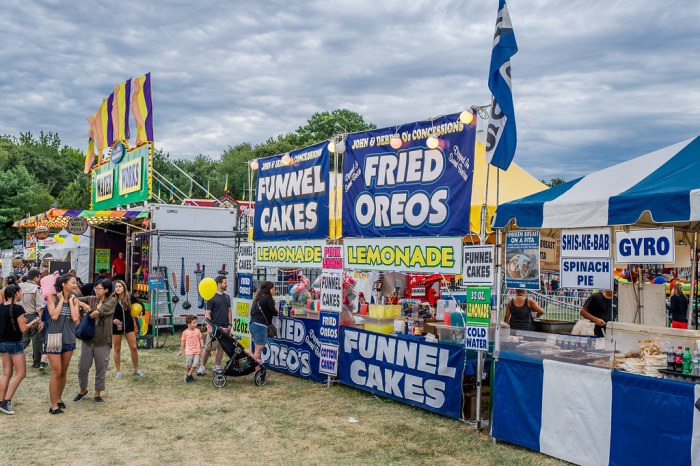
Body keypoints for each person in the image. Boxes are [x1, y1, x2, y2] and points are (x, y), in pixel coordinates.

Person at [0, 285, 41, 414]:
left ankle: (1, 401)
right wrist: (34, 323)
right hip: (14, 344)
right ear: (16, 294)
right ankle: (6, 401)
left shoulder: (1, 307)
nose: (22, 293)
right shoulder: (18, 308)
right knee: (21, 373)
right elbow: (23, 329)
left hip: (2, 343)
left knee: (6, 373)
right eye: (20, 291)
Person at [74, 279, 116, 403]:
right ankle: (83, 390)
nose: (96, 291)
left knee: (101, 368)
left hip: (102, 341)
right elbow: (74, 300)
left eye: (98, 289)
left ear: (106, 290)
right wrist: (83, 304)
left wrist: (88, 310)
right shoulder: (92, 299)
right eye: (95, 288)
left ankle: (97, 393)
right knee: (82, 367)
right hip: (87, 340)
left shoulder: (111, 301)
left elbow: (96, 314)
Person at [45, 274, 81, 414]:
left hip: (69, 338)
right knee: (57, 371)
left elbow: (75, 318)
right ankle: (53, 405)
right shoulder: (52, 298)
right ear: (64, 284)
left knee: (64, 372)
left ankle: (59, 399)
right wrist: (61, 301)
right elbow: (53, 316)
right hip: (53, 338)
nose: (75, 285)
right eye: (73, 282)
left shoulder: (75, 299)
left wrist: (72, 302)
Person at [196, 276, 231, 375]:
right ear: (219, 284)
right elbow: (207, 313)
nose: (226, 284)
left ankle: (217, 366)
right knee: (208, 348)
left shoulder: (227, 297)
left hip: (224, 327)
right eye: (225, 282)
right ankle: (202, 367)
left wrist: (230, 324)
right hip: (214, 328)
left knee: (221, 348)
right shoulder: (211, 297)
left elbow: (229, 311)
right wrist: (210, 327)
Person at [111, 280, 144, 378]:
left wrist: (142, 312)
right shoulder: (112, 298)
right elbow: (107, 312)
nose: (118, 288)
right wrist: (113, 319)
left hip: (128, 326)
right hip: (116, 327)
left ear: (124, 287)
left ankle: (136, 369)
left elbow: (140, 304)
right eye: (116, 286)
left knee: (134, 347)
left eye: (120, 286)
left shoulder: (129, 296)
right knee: (117, 348)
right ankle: (118, 371)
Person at [247, 281, 277, 371]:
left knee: (257, 349)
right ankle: (257, 371)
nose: (274, 290)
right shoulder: (268, 298)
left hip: (253, 325)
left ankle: (257, 369)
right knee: (258, 350)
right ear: (269, 289)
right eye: (273, 288)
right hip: (261, 326)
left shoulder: (257, 298)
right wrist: (276, 308)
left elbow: (251, 312)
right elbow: (274, 312)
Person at [20, 269, 47, 370]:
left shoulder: (19, 286)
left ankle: (12, 357)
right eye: (38, 277)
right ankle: (37, 362)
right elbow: (39, 306)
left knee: (24, 339)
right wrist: (41, 319)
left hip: (20, 316)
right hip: (33, 316)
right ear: (36, 277)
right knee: (36, 340)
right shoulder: (37, 288)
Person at [179, 315, 204, 383]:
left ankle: (189, 375)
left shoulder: (197, 331)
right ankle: (189, 375)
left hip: (197, 351)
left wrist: (202, 344)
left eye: (196, 322)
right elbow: (182, 342)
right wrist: (181, 350)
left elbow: (200, 338)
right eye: (194, 322)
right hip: (189, 352)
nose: (196, 324)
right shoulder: (185, 332)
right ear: (188, 324)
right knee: (189, 365)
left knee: (195, 363)